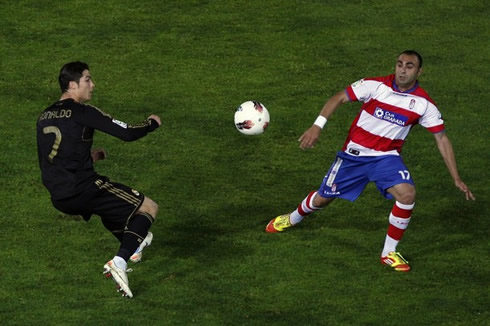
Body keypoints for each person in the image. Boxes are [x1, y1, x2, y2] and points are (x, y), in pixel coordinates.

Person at [265, 50, 475, 272]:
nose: (403, 70)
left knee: (407, 194)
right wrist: (317, 126)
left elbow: (441, 138)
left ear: (419, 71)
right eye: (400, 64)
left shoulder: (423, 104)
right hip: (353, 157)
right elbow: (338, 98)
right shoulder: (375, 86)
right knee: (322, 199)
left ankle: (388, 253)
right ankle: (293, 217)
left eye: (409, 66)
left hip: (386, 159)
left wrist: (456, 178)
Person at [37, 61, 162, 297]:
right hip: (84, 189)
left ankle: (133, 245)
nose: (92, 85)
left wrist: (90, 157)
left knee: (110, 210)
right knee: (148, 208)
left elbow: (51, 156)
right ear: (73, 85)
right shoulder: (83, 112)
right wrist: (151, 123)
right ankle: (120, 261)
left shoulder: (44, 116)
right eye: (87, 80)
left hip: (59, 197)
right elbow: (126, 132)